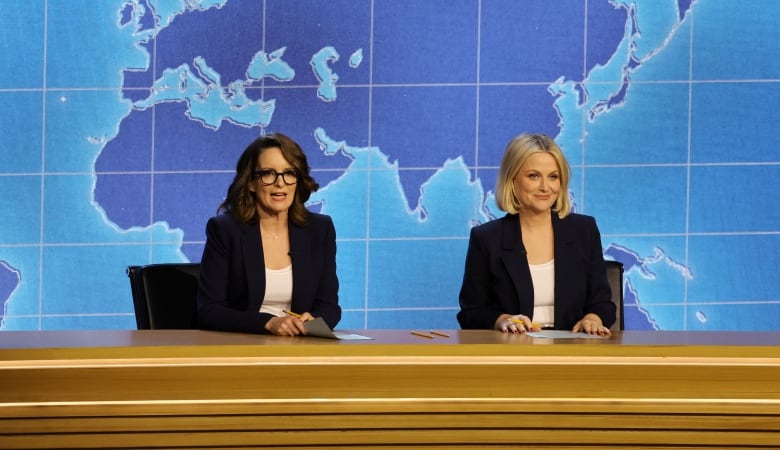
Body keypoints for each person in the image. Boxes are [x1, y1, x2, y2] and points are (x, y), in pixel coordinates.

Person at [457, 133, 615, 335]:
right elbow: (471, 313)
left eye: (553, 177)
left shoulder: (584, 230)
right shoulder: (487, 238)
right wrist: (502, 320)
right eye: (533, 176)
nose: (545, 187)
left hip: (572, 351)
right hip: (514, 353)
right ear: (512, 180)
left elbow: (603, 303)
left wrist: (593, 318)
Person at [197, 132, 341, 335]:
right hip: (242, 348)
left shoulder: (318, 230)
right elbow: (209, 310)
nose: (280, 183)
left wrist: (315, 320)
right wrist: (268, 323)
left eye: (289, 173)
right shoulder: (226, 230)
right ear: (251, 182)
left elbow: (330, 306)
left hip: (299, 348)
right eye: (268, 173)